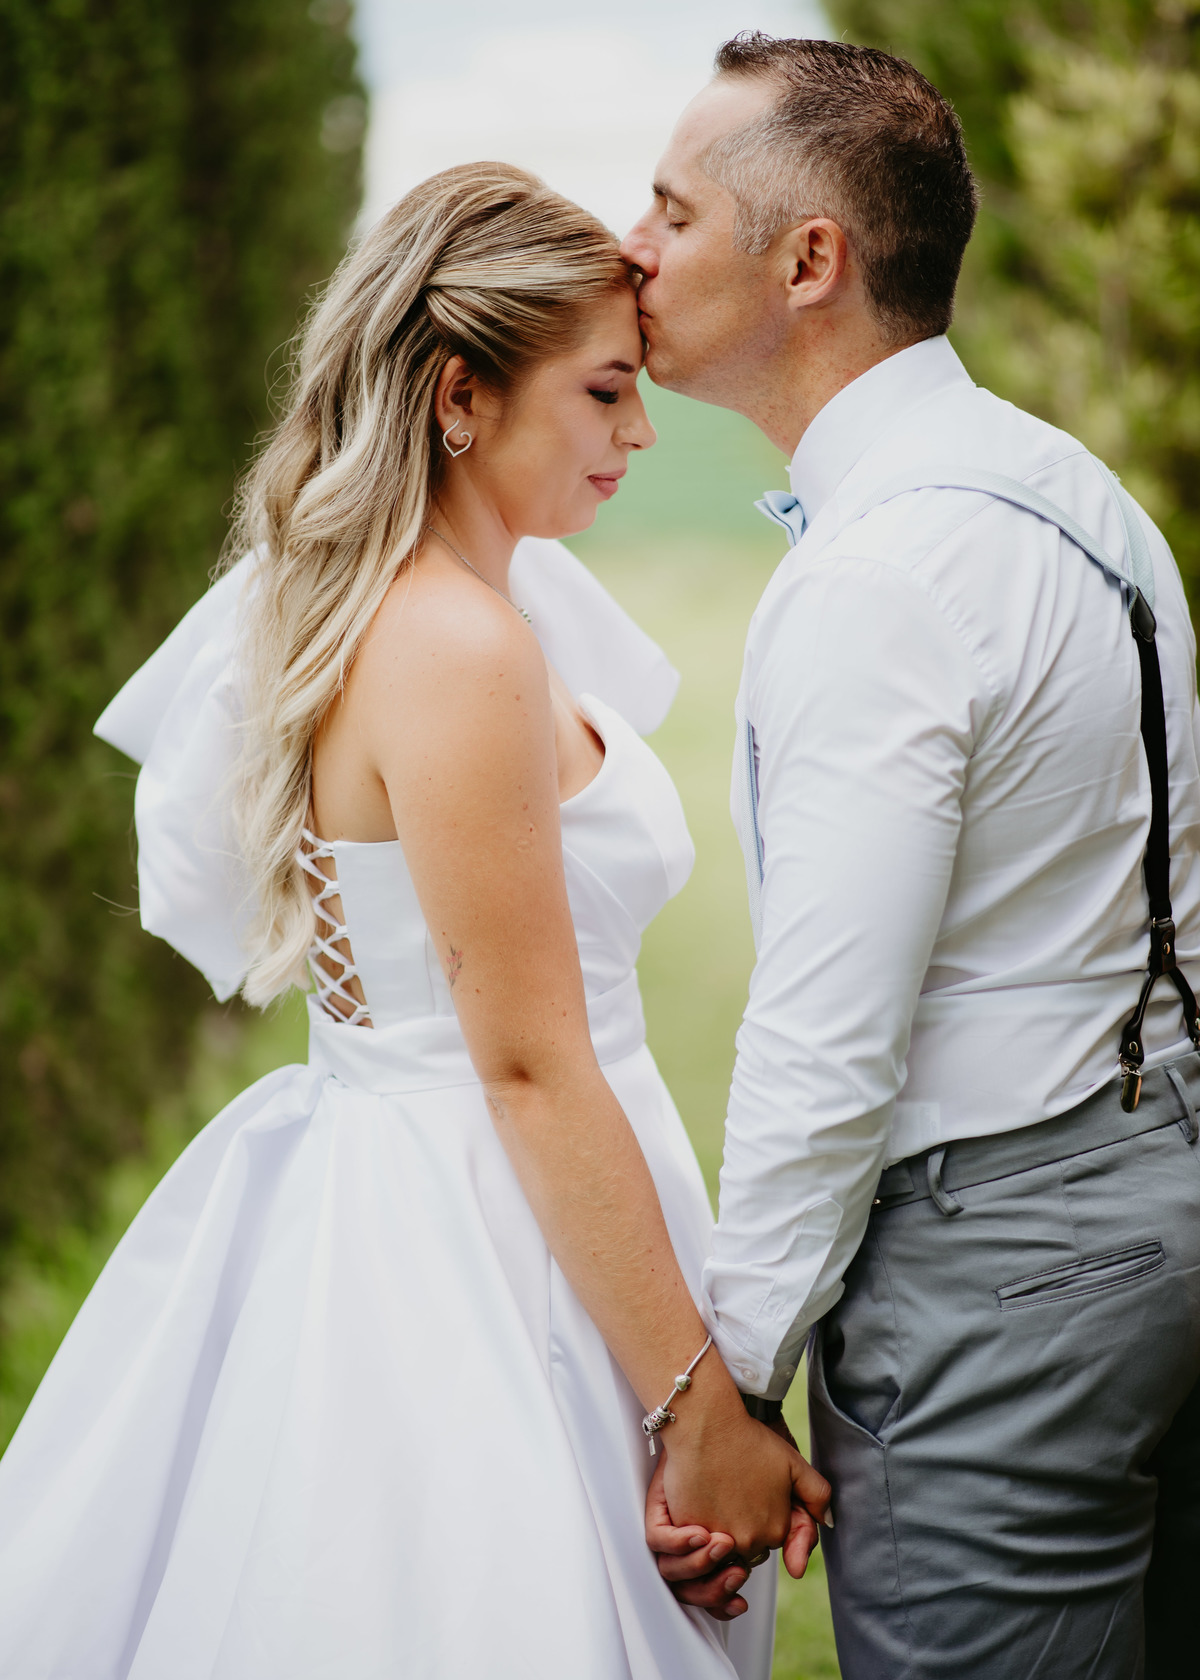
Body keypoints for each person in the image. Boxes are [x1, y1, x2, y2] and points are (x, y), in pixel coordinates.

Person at [0, 161, 829, 1680]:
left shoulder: (432, 608)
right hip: (488, 1234)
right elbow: (525, 1064)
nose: (642, 433)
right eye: (605, 393)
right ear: (460, 398)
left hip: (441, 1174)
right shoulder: (454, 647)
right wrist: (695, 1405)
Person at [628, 33, 1200, 1679]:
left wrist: (730, 1386)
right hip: (1156, 1173)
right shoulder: (1068, 486)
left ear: (809, 260)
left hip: (1008, 1278)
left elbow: (828, 1040)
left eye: (673, 212)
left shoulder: (883, 575)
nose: (629, 247)